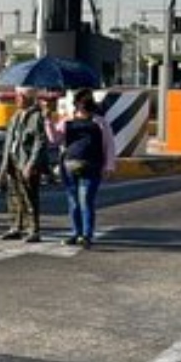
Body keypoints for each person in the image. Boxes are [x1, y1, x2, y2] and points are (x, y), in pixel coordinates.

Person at [45, 88, 117, 249]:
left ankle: (86, 235)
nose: (82, 107)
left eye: (85, 104)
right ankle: (76, 233)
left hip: (92, 166)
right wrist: (48, 120)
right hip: (69, 166)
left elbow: (109, 145)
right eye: (80, 103)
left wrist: (109, 166)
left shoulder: (100, 122)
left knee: (86, 201)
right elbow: (54, 140)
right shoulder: (67, 121)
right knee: (73, 201)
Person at [0, 85, 49, 242]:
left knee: (29, 196)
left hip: (26, 162)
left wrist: (31, 164)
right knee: (14, 196)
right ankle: (16, 227)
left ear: (27, 98)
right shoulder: (16, 116)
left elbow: (39, 142)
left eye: (19, 96)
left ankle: (34, 230)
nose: (16, 99)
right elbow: (9, 141)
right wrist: (4, 165)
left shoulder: (36, 117)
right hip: (14, 159)